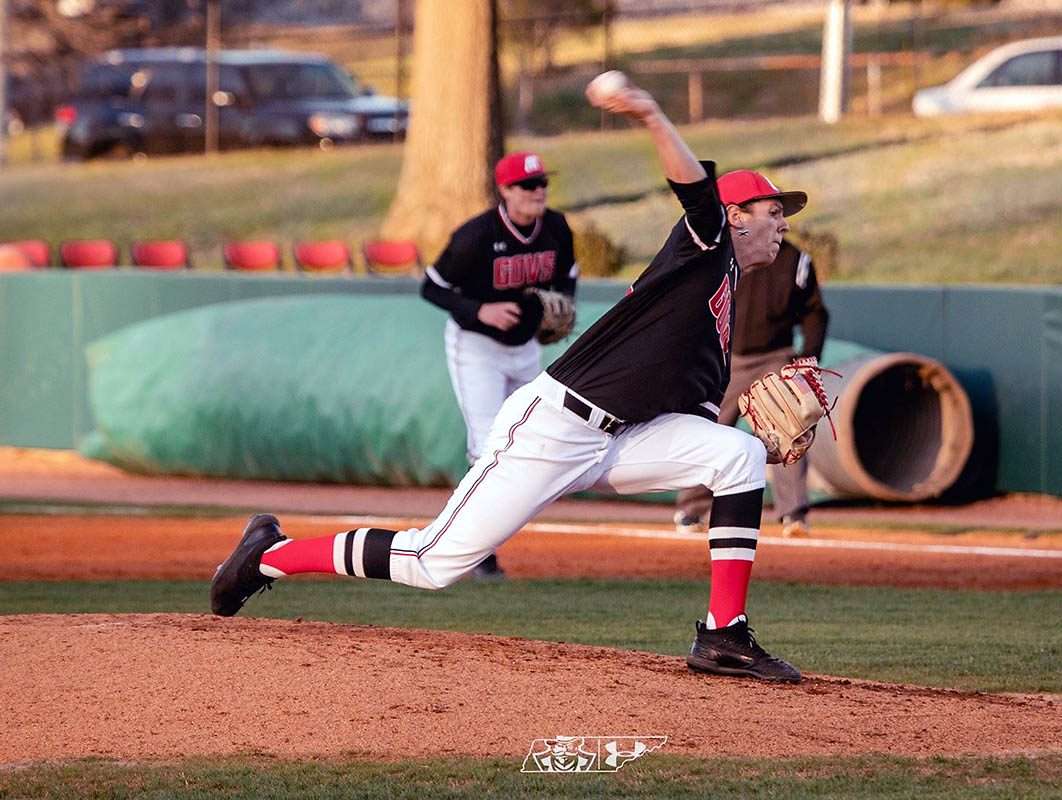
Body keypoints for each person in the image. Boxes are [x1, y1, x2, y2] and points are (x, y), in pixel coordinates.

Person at [211, 75, 811, 683]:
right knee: (433, 561)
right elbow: (691, 187)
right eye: (772, 211)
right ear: (734, 217)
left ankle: (723, 635)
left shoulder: (725, 298)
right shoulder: (707, 248)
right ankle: (271, 556)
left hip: (622, 440)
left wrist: (741, 440)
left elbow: (694, 410)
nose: (782, 223)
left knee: (737, 455)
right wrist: (651, 113)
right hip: (554, 428)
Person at [420, 151, 579, 580]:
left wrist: (561, 304)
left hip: (526, 347)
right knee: (486, 442)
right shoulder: (476, 235)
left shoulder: (557, 229)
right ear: (505, 191)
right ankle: (474, 550)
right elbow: (432, 288)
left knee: (528, 436)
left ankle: (487, 533)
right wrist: (480, 311)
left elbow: (568, 277)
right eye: (528, 185)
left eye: (543, 182)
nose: (538, 191)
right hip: (476, 347)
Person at [674, 238, 829, 538]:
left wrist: (808, 356)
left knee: (789, 431)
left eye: (778, 213)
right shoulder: (724, 251)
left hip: (775, 355)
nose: (777, 221)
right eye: (770, 212)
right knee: (707, 429)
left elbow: (815, 312)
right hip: (726, 355)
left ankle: (793, 515)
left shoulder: (796, 259)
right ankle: (691, 509)